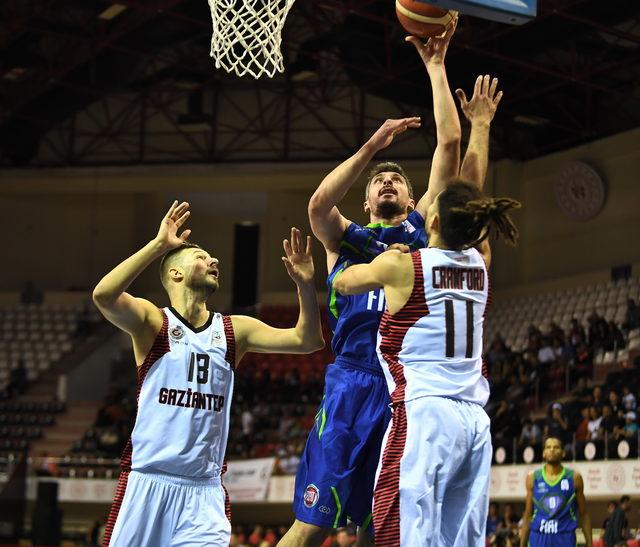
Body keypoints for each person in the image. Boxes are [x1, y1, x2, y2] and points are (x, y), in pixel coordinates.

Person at [280, 17, 504, 546]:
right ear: (366, 197)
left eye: (396, 178)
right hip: (356, 379)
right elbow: (317, 205)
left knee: (381, 523)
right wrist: (371, 147)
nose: (386, 180)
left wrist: (435, 70)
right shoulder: (348, 239)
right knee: (314, 524)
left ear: (414, 201)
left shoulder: (421, 236)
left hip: (408, 385)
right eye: (379, 177)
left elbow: (448, 151)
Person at [93, 201, 324, 546]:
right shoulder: (153, 322)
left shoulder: (234, 330)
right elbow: (104, 295)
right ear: (175, 273)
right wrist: (158, 245)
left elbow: (308, 341)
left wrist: (306, 285)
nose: (213, 261)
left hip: (204, 492)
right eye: (201, 257)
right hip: (148, 481)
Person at [333, 181, 520, 545]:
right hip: (475, 424)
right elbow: (472, 195)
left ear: (432, 220)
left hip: (425, 415)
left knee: (403, 535)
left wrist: (384, 260)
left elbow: (343, 283)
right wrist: (480, 128)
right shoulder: (482, 265)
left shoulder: (405, 267)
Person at [520, 437, 592, 547]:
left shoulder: (574, 478)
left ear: (563, 453)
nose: (552, 450)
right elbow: (527, 515)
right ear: (544, 453)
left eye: (556, 447)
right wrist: (522, 544)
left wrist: (589, 543)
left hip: (565, 538)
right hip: (539, 537)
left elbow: (584, 514)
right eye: (548, 447)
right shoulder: (533, 478)